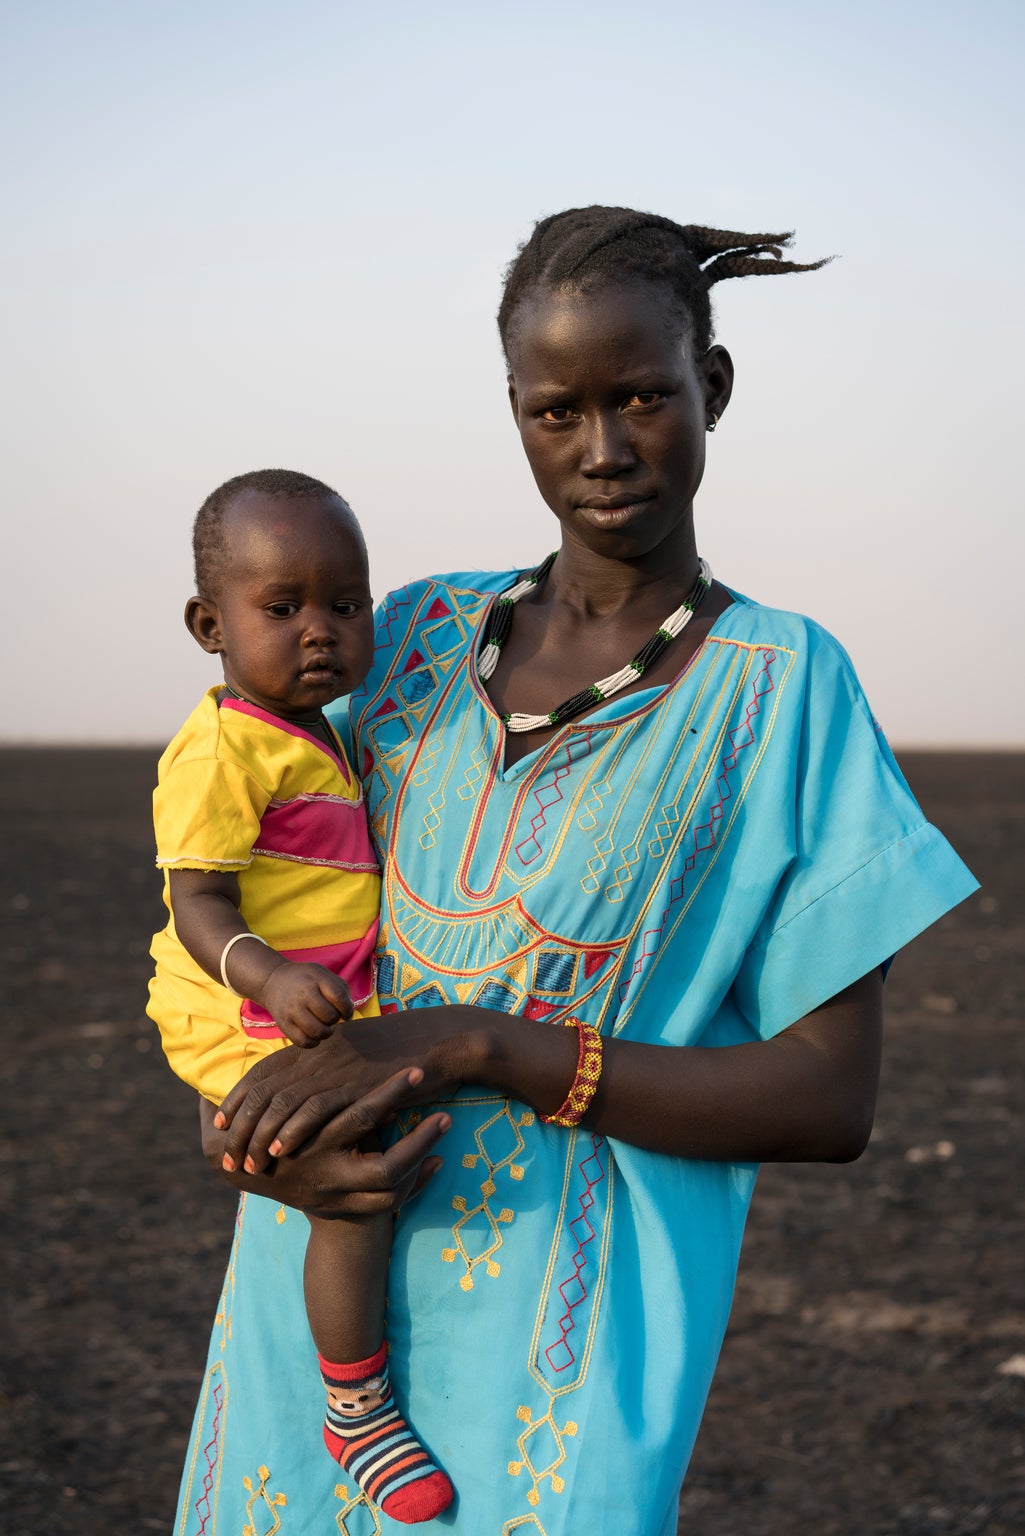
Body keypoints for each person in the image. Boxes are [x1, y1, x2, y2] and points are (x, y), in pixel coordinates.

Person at [177, 208, 977, 1536]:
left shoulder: (784, 689)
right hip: (317, 1298)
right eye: (557, 412)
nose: (603, 449)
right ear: (513, 415)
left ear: (710, 387)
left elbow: (830, 1101)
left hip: (571, 1358)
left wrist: (487, 1043)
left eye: (644, 398)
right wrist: (249, 1145)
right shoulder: (404, 641)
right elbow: (247, 921)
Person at [147, 468, 454, 1523]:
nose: (318, 631)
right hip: (237, 1006)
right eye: (281, 609)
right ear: (209, 623)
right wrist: (273, 977)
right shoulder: (223, 746)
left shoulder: (319, 731)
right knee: (352, 1178)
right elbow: (197, 900)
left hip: (293, 1000)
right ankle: (354, 1404)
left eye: (344, 604)